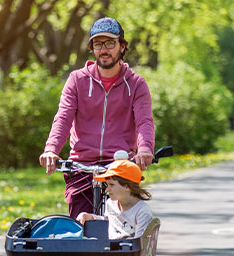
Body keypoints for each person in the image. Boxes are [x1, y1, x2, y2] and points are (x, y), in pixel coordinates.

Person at [39, 16, 155, 219]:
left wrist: (145, 150)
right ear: (92, 48)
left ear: (122, 46)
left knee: (123, 223)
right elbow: (63, 117)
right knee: (80, 222)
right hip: (81, 163)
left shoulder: (136, 83)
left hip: (119, 163)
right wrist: (51, 150)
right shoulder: (77, 80)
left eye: (110, 43)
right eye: (98, 44)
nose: (104, 49)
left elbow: (144, 120)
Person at [75, 160, 153, 239]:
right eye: (107, 184)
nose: (107, 189)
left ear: (127, 187)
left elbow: (140, 244)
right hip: (110, 249)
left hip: (128, 250)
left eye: (111, 185)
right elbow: (109, 220)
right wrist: (90, 217)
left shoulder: (142, 211)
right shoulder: (111, 203)